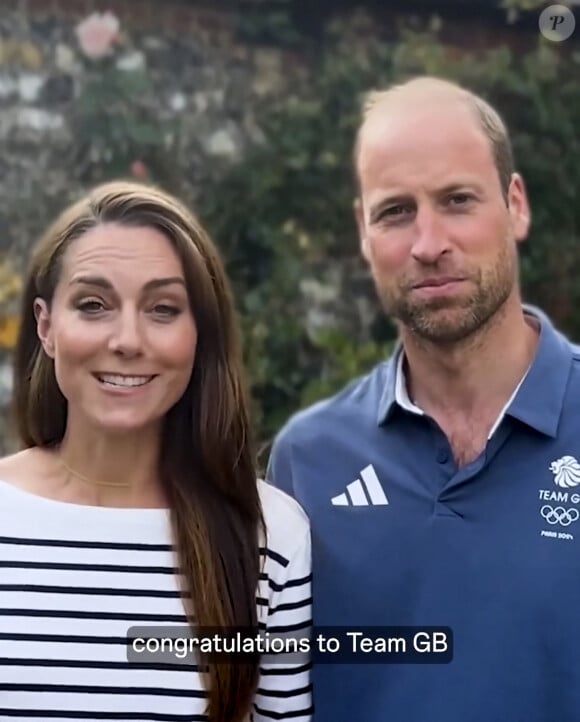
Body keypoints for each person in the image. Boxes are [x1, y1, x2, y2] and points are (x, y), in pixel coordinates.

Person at [266, 76, 580, 722]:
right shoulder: (309, 461)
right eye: (395, 211)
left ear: (515, 205)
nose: (429, 243)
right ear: (363, 231)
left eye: (458, 200)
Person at [0, 180, 312, 722]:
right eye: (93, 305)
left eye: (163, 309)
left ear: (200, 337)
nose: (127, 340)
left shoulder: (269, 537)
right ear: (47, 328)